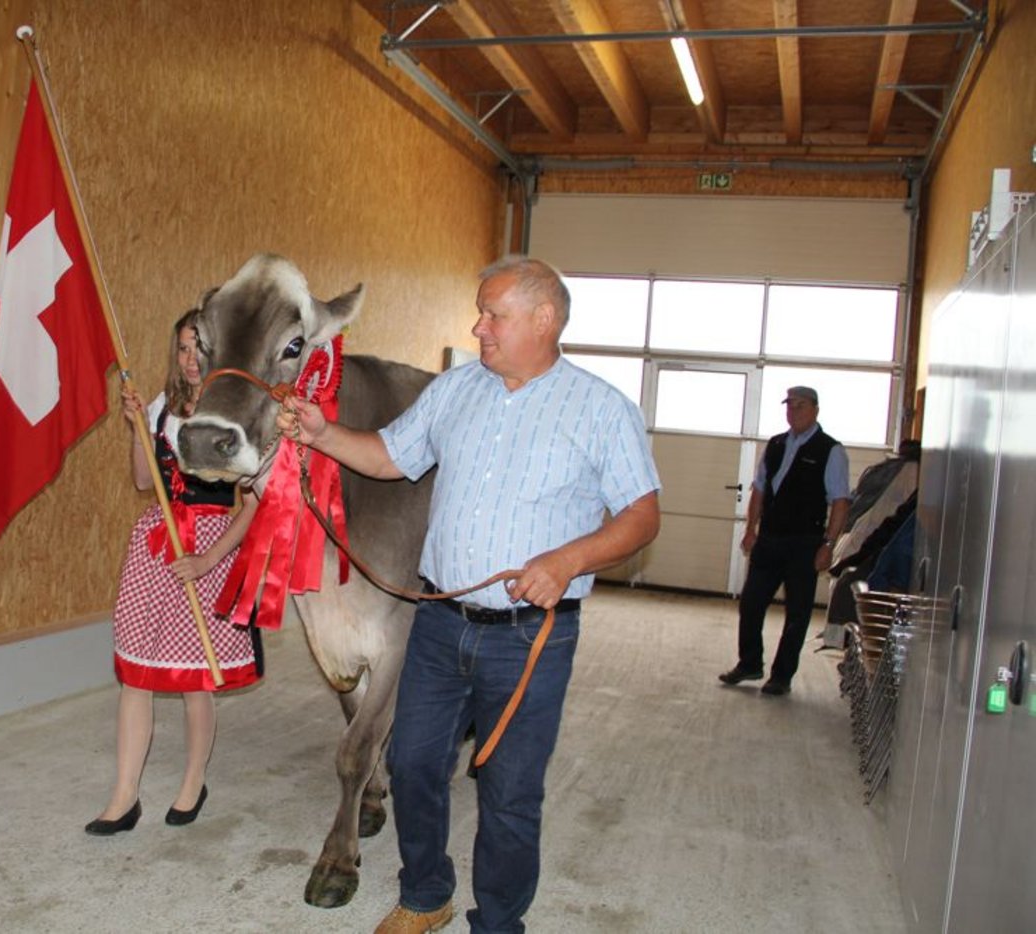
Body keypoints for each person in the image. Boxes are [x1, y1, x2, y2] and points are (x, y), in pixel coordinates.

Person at [277, 257, 661, 934]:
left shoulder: (602, 409)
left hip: (530, 636)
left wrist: (569, 558)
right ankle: (426, 896)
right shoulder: (457, 391)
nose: (478, 327)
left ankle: (499, 923)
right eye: (481, 313)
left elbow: (641, 516)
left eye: (494, 315)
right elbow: (390, 457)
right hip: (439, 621)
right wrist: (322, 433)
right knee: (414, 764)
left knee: (510, 792)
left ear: (545, 321)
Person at [86, 309, 261, 836]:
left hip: (208, 546)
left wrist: (210, 560)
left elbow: (251, 505)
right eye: (183, 348)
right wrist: (137, 429)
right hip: (157, 543)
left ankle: (193, 779)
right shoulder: (163, 407)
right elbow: (144, 481)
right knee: (135, 675)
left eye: (200, 349)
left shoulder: (235, 415)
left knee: (194, 680)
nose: (190, 359)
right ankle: (124, 796)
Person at [719, 386, 851, 696]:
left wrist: (828, 545)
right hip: (769, 539)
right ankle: (750, 663)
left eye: (800, 406)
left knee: (797, 612)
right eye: (789, 406)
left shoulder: (830, 450)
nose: (793, 412)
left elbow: (840, 502)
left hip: (805, 543)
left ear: (816, 409)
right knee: (751, 603)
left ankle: (782, 675)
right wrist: (752, 528)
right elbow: (760, 489)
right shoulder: (776, 444)